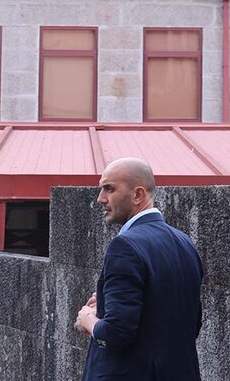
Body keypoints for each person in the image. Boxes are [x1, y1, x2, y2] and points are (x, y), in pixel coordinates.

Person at [75, 157, 204, 380]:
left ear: (138, 195)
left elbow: (116, 334)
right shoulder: (185, 243)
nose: (100, 198)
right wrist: (105, 306)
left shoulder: (124, 246)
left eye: (109, 189)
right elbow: (187, 322)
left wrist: (88, 319)